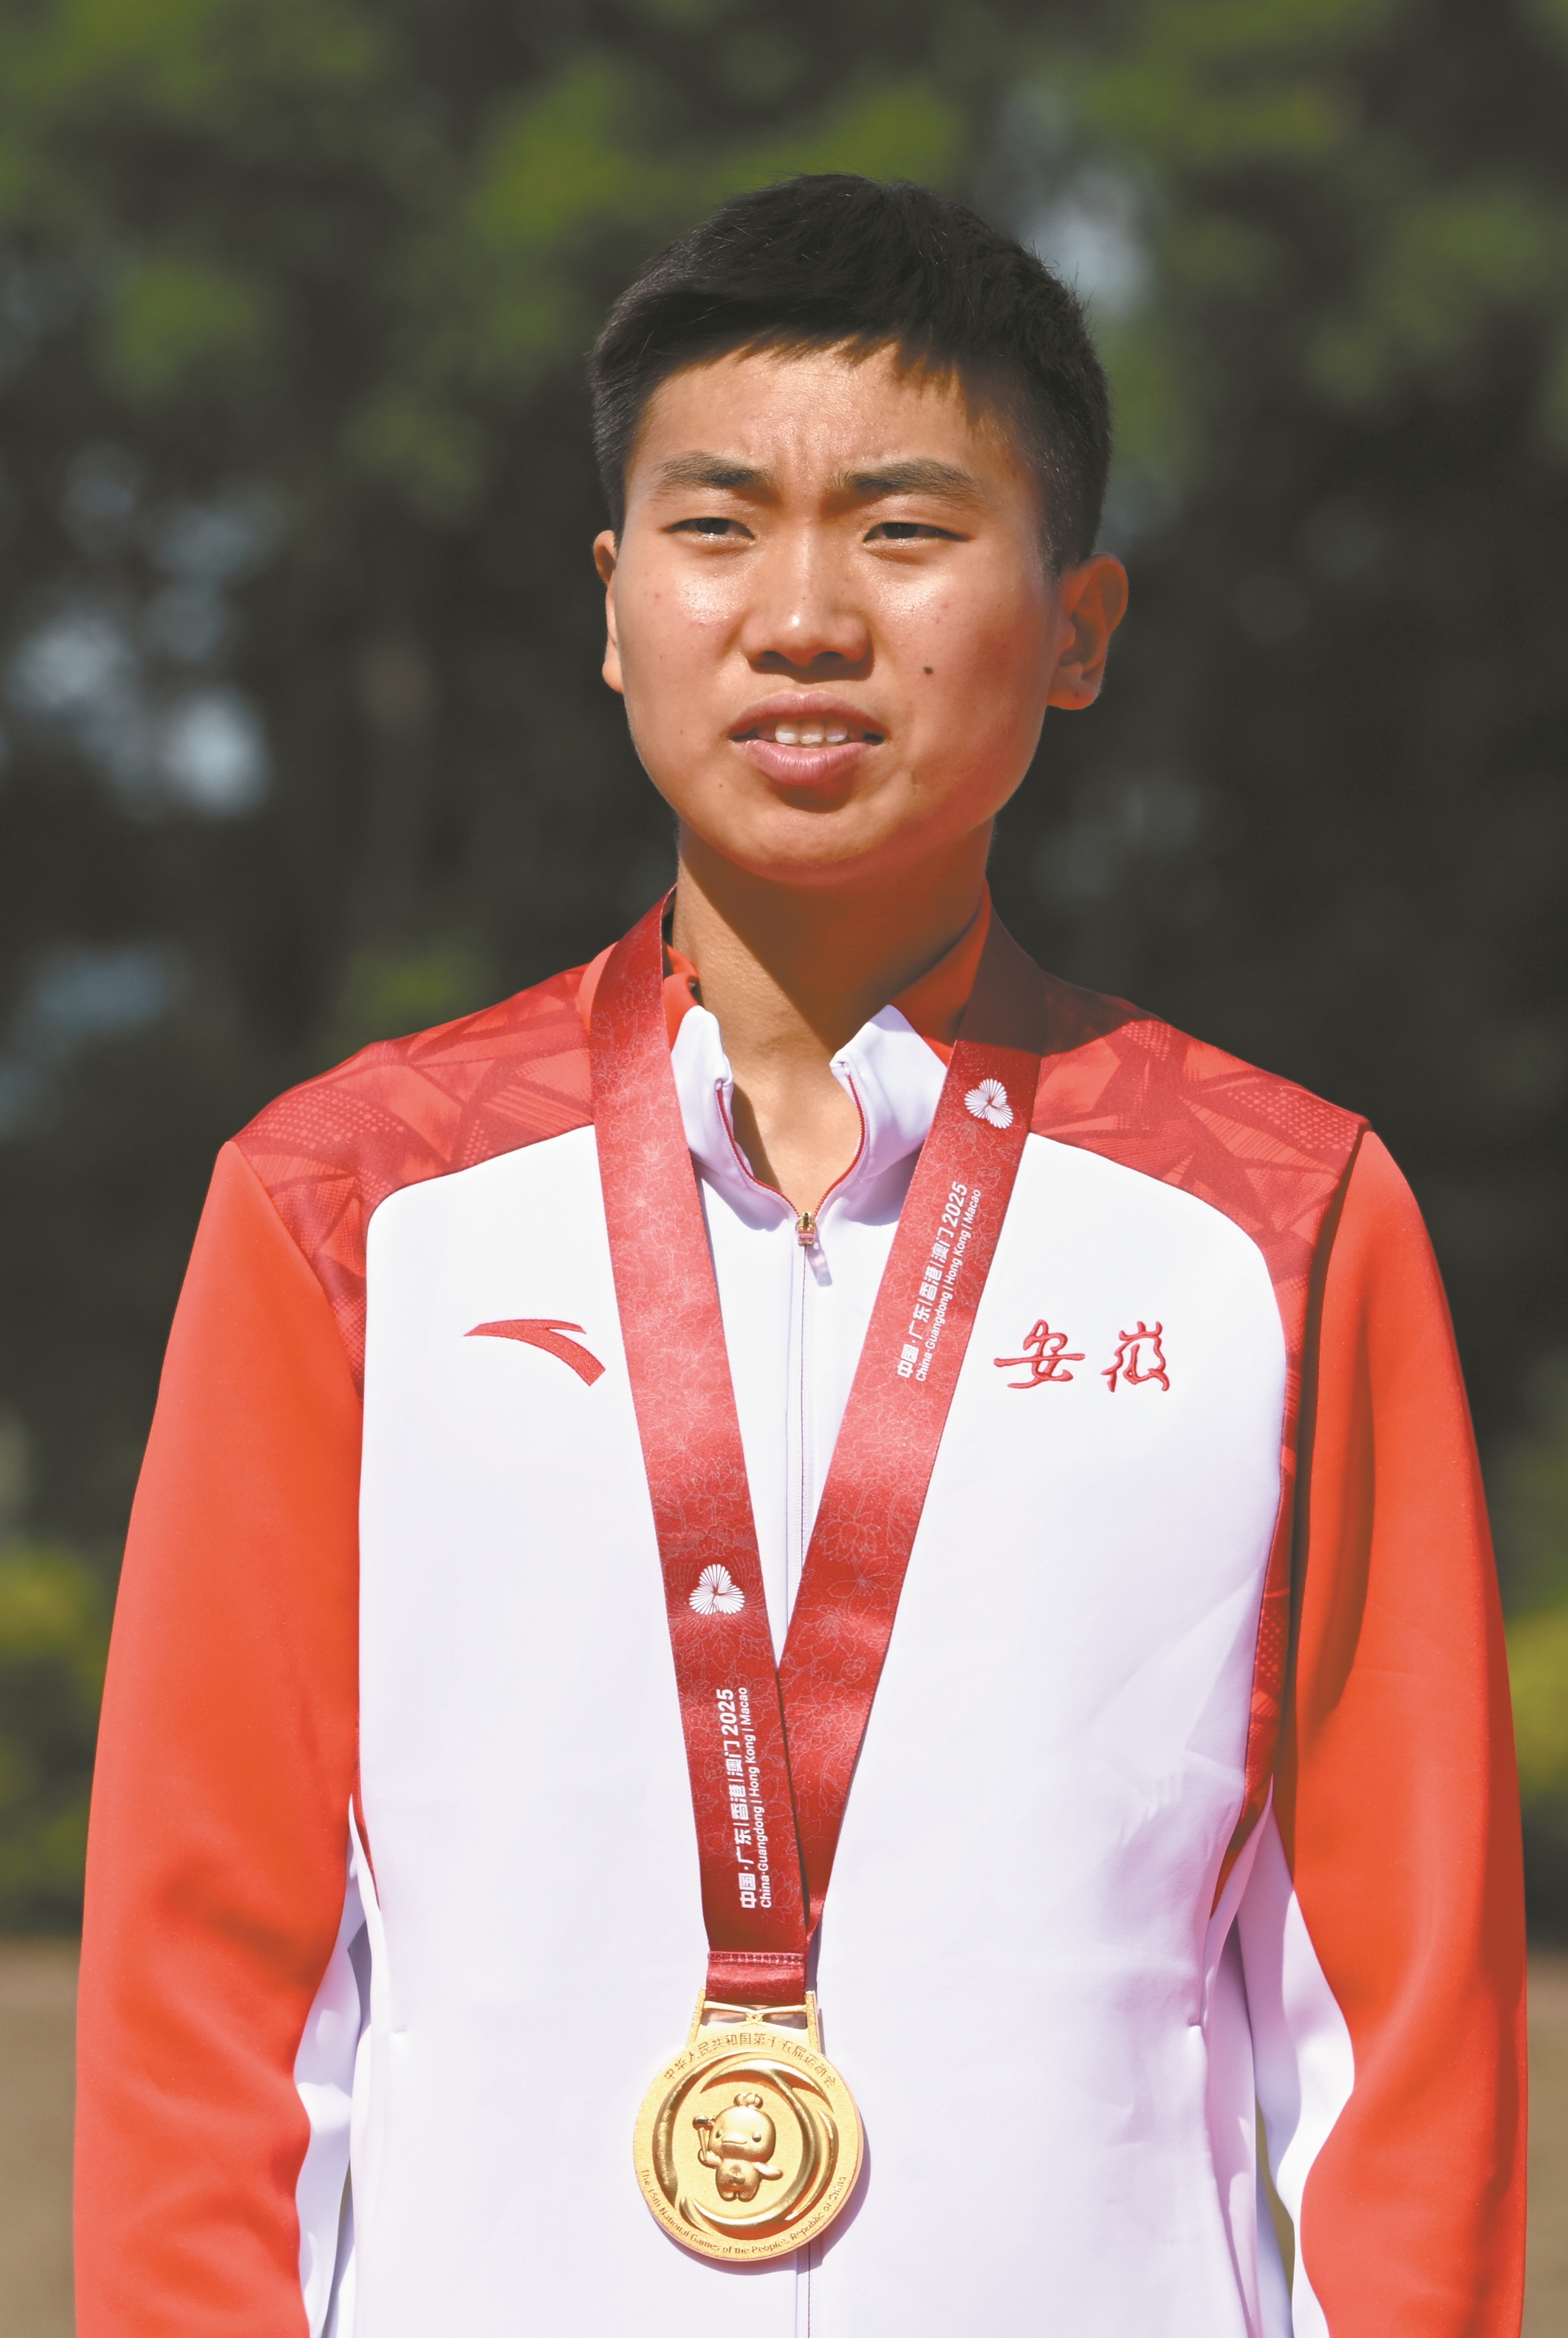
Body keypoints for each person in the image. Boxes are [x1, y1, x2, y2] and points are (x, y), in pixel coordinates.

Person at [75, 174, 1525, 2338]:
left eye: (908, 529)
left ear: (1079, 627)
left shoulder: (1281, 1222)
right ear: (611, 602)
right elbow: (210, 1993)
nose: (804, 617)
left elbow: (1399, 2035)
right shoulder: (344, 1207)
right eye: (718, 524)